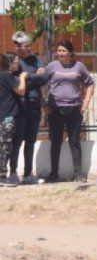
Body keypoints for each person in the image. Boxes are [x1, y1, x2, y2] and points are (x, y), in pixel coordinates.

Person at [45, 40, 94, 182]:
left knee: (74, 141)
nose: (60, 53)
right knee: (55, 141)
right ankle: (54, 174)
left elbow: (90, 83)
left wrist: (86, 102)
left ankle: (78, 174)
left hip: (74, 109)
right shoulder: (51, 66)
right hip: (55, 109)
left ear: (70, 53)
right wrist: (44, 104)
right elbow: (40, 81)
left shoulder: (79, 66)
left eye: (63, 51)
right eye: (59, 51)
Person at [10, 32, 48, 184]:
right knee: (17, 141)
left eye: (29, 46)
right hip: (19, 106)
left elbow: (44, 77)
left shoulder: (36, 59)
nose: (29, 49)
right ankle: (12, 173)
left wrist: (27, 76)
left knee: (30, 141)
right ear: (17, 46)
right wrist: (35, 76)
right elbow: (12, 80)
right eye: (25, 46)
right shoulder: (14, 61)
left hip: (34, 105)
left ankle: (27, 174)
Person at [0, 53, 28, 186]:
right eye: (16, 61)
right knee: (5, 146)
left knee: (5, 145)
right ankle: (2, 176)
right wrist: (22, 78)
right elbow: (21, 90)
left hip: (5, 114)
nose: (18, 64)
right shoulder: (6, 76)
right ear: (9, 63)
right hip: (7, 116)